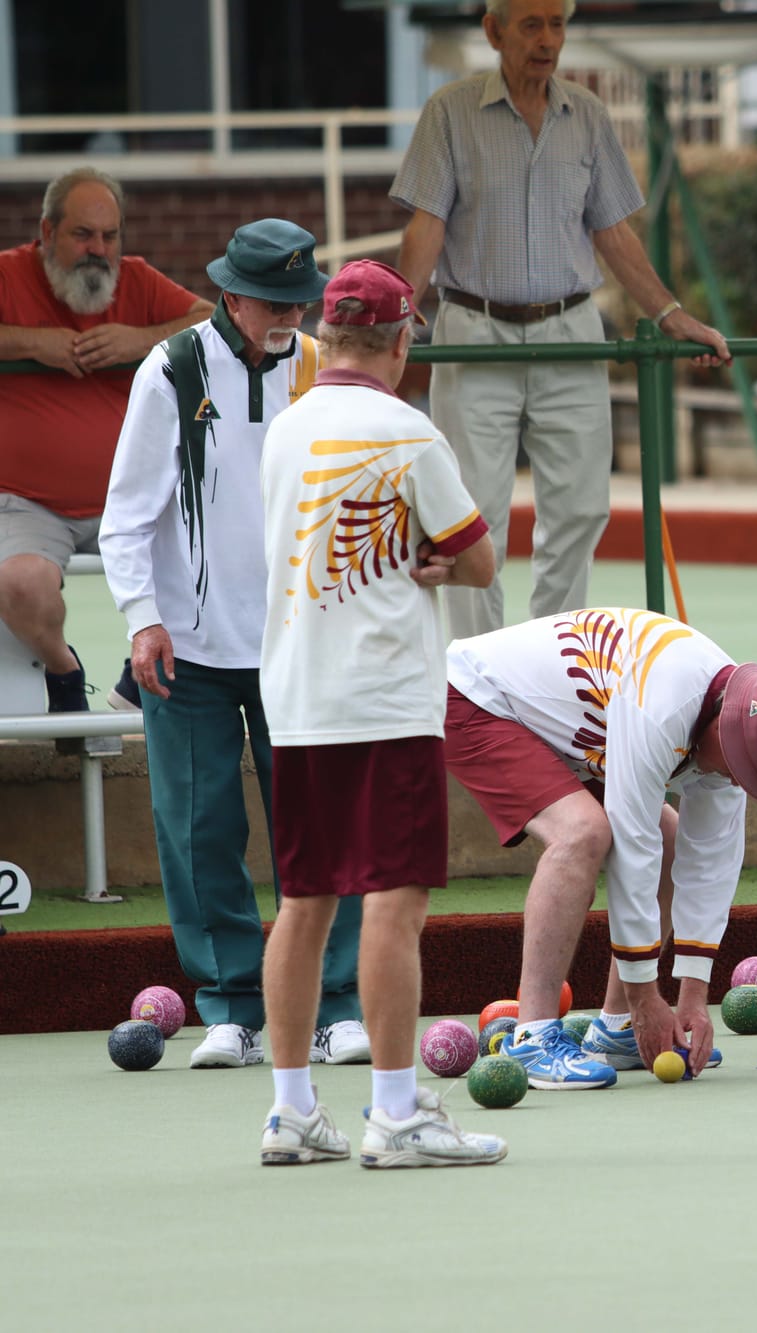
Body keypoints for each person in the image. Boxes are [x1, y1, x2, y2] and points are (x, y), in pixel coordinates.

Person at [98, 219, 369, 1072]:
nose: (292, 316)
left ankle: (333, 1003)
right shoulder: (170, 370)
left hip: (303, 640)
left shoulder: (323, 367)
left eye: (301, 300)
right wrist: (142, 616)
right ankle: (230, 1007)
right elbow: (126, 514)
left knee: (319, 824)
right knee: (198, 826)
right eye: (276, 302)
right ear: (232, 296)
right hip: (188, 645)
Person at [256, 258, 506, 1168]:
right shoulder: (409, 432)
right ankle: (397, 1112)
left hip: (297, 697)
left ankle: (290, 1111)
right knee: (394, 904)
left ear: (326, 338)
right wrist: (434, 562)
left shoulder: (285, 430)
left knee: (303, 902)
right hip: (387, 700)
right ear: (401, 341)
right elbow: (477, 559)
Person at [390, 0, 731, 642]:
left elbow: (614, 233)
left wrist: (671, 314)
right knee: (471, 516)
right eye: (531, 25)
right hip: (475, 330)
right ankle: (476, 673)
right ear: (494, 32)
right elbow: (425, 226)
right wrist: (399, 318)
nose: (547, 40)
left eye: (557, 24)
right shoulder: (450, 112)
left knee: (581, 508)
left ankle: (549, 663)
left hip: (571, 331)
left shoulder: (588, 115)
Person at [443, 609, 757, 1088]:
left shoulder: (739, 730)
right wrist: (647, 996)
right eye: (737, 768)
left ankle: (616, 1028)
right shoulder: (662, 705)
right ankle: (532, 1035)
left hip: (574, 726)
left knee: (669, 840)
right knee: (582, 833)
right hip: (476, 698)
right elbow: (632, 850)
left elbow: (711, 863)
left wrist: (692, 995)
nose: (734, 780)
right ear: (722, 729)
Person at [0, 166, 210, 717]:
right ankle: (65, 674)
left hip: (133, 495)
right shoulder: (8, 274)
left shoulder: (137, 280)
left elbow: (212, 325)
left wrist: (140, 341)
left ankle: (133, 684)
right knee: (18, 584)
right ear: (47, 232)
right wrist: (32, 345)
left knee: (212, 562)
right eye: (82, 235)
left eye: (110, 236)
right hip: (29, 503)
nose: (99, 250)